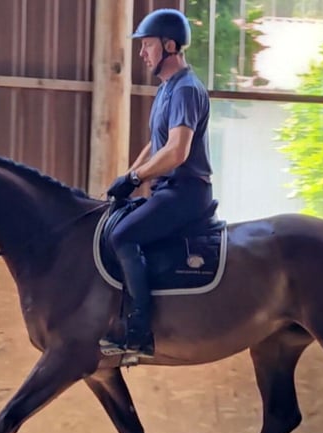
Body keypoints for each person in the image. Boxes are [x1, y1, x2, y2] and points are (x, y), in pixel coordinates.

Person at [99, 8, 214, 358]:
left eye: (147, 45)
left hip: (187, 192)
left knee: (123, 235)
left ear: (169, 45)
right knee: (114, 222)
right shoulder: (167, 90)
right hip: (167, 190)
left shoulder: (186, 90)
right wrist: (127, 180)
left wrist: (135, 177)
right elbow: (156, 143)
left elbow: (177, 151)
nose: (141, 53)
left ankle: (139, 330)